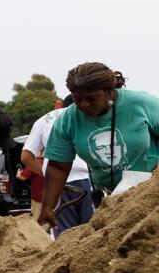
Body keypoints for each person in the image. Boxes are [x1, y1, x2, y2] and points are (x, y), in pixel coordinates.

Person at [39, 63, 159, 230]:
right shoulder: (67, 120)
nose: (84, 105)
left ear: (108, 91)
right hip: (108, 200)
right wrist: (47, 206)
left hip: (150, 193)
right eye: (77, 99)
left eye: (91, 98)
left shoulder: (143, 104)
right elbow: (58, 166)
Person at [22, 96, 93, 236]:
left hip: (61, 186)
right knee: (92, 234)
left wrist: (49, 175)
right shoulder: (91, 114)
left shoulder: (44, 120)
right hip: (90, 181)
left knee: (65, 237)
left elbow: (26, 157)